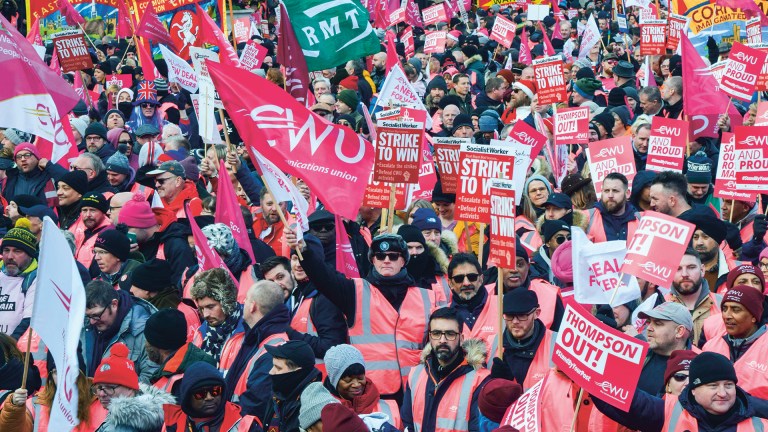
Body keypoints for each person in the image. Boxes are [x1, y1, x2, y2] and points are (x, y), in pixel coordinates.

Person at [287, 231, 439, 397]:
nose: (386, 260)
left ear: (403, 260)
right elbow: (324, 276)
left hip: (416, 390)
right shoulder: (354, 291)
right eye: (380, 256)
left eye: (393, 256)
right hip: (369, 392)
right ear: (373, 260)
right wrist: (304, 250)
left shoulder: (427, 297)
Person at [591, 352, 768, 431]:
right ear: (694, 390)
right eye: (713, 386)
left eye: (729, 385)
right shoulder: (668, 411)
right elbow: (626, 400)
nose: (723, 393)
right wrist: (590, 372)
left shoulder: (760, 424)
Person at [401, 307, 490, 432]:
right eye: (436, 334)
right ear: (430, 337)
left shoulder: (479, 380)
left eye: (450, 334)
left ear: (461, 339)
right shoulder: (415, 374)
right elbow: (408, 424)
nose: (442, 340)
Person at [260, 256, 348, 367]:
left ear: (292, 273)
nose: (277, 284)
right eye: (271, 282)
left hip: (322, 379)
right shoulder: (283, 308)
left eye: (280, 277)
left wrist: (288, 332)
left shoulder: (320, 298)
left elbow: (332, 347)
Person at [220, 280, 290, 417]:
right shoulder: (257, 337)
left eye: (245, 300)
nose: (243, 304)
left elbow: (256, 403)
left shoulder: (273, 350)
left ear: (252, 306)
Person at [81, 280, 158, 382]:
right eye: (88, 316)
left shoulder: (143, 330)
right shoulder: (85, 323)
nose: (92, 322)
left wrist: (113, 392)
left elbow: (151, 378)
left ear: (114, 304)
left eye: (96, 315)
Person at [117, 192, 196, 287]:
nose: (125, 234)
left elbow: (181, 284)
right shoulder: (138, 244)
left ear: (142, 225)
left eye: (128, 229)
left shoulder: (176, 245)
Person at [702, 286, 768, 398]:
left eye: (735, 310)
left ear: (754, 316)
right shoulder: (711, 347)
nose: (727, 316)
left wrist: (742, 404)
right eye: (724, 309)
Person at [163, 362, 262, 432]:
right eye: (200, 394)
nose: (209, 397)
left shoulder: (245, 424)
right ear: (187, 398)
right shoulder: (171, 423)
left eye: (215, 391)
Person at [322, 344, 402, 428]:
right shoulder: (321, 413)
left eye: (360, 377)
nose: (356, 384)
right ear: (334, 381)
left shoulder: (390, 408)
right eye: (348, 380)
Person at [491, 289, 556, 389]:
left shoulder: (556, 343)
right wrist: (493, 384)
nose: (515, 321)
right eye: (509, 316)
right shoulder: (492, 344)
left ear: (536, 313)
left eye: (522, 315)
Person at [145, 308, 215, 398]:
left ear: (159, 344)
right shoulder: (194, 360)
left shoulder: (179, 380)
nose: (145, 343)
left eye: (148, 339)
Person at [126, 259, 200, 342]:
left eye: (135, 285)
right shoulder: (176, 307)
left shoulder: (173, 315)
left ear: (146, 289)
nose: (131, 289)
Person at [636, 302, 695, 396]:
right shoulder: (638, 353)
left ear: (679, 331)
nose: (649, 328)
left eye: (658, 323)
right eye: (648, 322)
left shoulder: (696, 366)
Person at [262, 340, 322, 432]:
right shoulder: (279, 392)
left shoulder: (312, 408)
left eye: (278, 368)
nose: (271, 372)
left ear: (297, 371)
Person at [665, 248, 720, 346]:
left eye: (691, 267)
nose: (685, 274)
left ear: (702, 270)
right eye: (678, 269)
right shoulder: (661, 305)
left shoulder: (722, 304)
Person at [190, 268, 244, 362]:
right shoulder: (200, 333)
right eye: (201, 308)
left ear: (227, 302)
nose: (205, 314)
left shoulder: (249, 329)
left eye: (210, 307)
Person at [0, 221, 38, 339]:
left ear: (30, 255)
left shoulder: (36, 279)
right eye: (6, 250)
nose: (10, 256)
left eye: (17, 251)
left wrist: (7, 349)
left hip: (14, 351)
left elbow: (29, 321)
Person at [2, 143, 67, 206]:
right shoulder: (8, 179)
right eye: (18, 157)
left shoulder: (49, 176)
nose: (23, 159)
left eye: (27, 155)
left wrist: (49, 165)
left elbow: (70, 180)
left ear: (37, 157)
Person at [585, 172, 639, 242]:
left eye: (615, 191)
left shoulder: (640, 220)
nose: (610, 195)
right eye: (606, 191)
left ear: (627, 194)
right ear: (601, 192)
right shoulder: (586, 217)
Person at [70, 193, 114, 270]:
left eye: (93, 210)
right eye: (84, 210)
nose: (88, 215)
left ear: (103, 212)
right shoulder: (82, 231)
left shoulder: (110, 233)